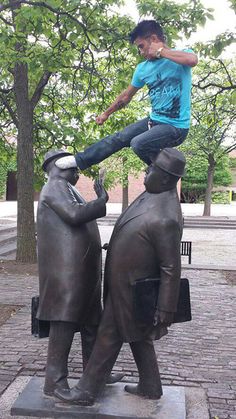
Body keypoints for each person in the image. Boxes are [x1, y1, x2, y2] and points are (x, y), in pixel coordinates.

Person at [54, 148, 186, 406]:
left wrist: (166, 308)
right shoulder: (153, 194)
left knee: (109, 335)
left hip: (133, 289)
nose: (146, 171)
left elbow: (171, 266)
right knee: (138, 334)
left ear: (167, 178)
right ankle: (150, 385)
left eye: (152, 169)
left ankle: (86, 391)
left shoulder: (167, 215)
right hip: (124, 284)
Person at [55, 20, 197, 172]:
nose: (141, 52)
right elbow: (125, 96)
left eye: (141, 46)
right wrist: (106, 114)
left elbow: (192, 60)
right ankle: (80, 160)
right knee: (120, 137)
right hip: (154, 122)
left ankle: (163, 172)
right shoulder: (143, 69)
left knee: (138, 143)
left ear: (154, 39)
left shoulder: (181, 57)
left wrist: (161, 51)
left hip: (176, 128)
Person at [37, 149, 122, 397]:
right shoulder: (54, 187)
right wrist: (101, 200)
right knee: (63, 323)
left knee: (91, 323)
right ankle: (54, 382)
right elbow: (74, 215)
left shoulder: (67, 188)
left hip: (82, 271)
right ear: (59, 166)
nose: (77, 173)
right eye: (74, 168)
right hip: (66, 274)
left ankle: (95, 374)